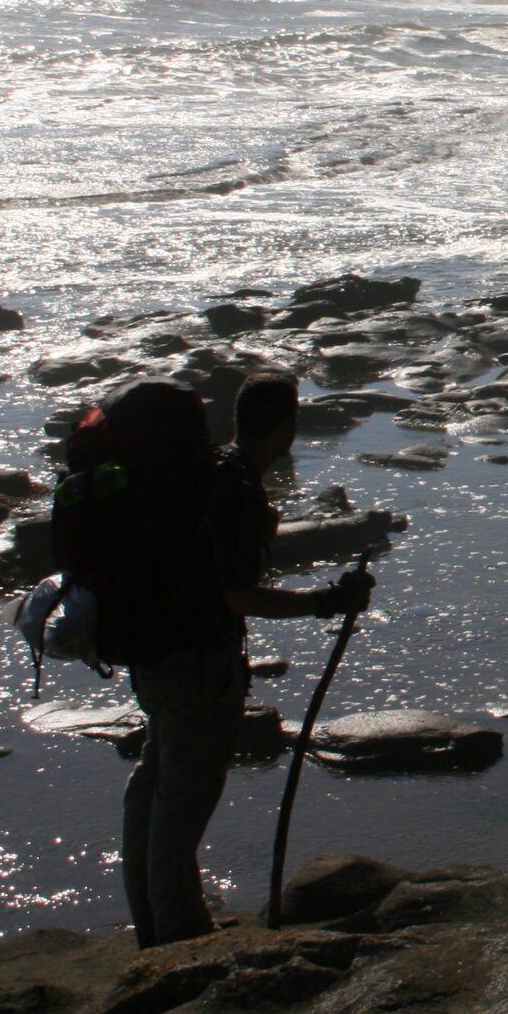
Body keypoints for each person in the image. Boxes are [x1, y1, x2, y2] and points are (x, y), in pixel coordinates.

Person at [63, 374, 372, 949]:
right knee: (184, 800)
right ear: (287, 427)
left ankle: (155, 922)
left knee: (155, 785)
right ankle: (179, 941)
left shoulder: (200, 477)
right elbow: (232, 594)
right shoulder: (230, 486)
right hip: (196, 662)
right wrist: (325, 601)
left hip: (152, 652)